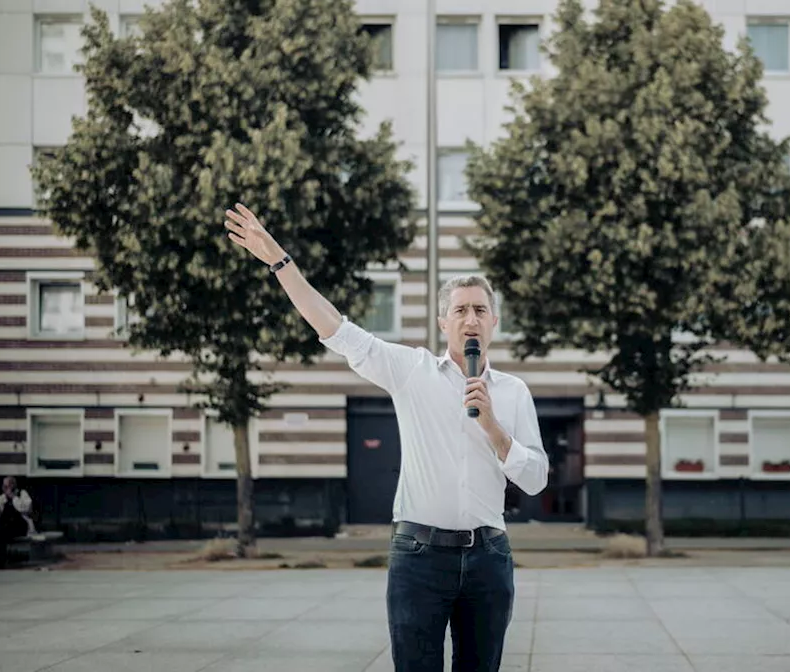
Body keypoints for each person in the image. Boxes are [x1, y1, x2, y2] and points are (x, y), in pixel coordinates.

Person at [224, 204, 549, 672]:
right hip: (419, 558)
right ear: (444, 323)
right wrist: (280, 262)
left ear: (494, 321)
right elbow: (335, 329)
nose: (470, 319)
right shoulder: (410, 370)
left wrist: (495, 430)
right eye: (460, 310)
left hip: (489, 558)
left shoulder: (514, 393)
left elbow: (536, 479)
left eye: (480, 310)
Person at [0, 476, 37, 568]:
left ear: (13, 485)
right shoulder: (1, 499)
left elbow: (26, 509)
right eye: (4, 486)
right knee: (0, 533)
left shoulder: (22, 494)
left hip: (21, 526)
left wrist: (14, 497)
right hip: (6, 527)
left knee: (1, 532)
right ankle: (0, 561)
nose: (5, 488)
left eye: (7, 486)